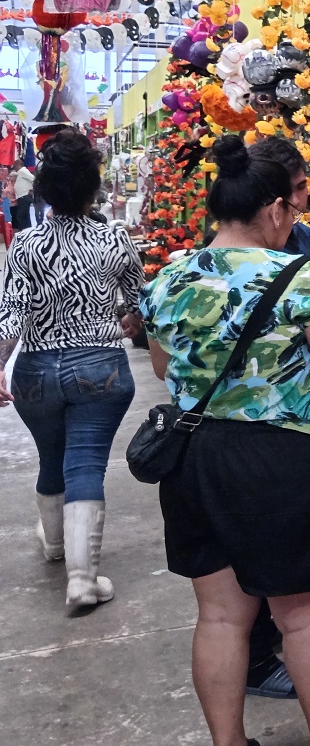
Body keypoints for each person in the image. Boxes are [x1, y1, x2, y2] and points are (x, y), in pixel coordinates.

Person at [141, 135, 310, 746]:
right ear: (276, 209)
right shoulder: (306, 279)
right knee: (305, 619)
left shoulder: (170, 276)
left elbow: (161, 367)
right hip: (281, 463)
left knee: (222, 616)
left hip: (196, 456)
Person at [0, 129, 144, 610]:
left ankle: (57, 545)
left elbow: (12, 315)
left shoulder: (25, 245)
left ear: (42, 190)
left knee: (49, 457)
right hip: (99, 367)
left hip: (36, 370)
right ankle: (82, 580)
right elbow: (139, 300)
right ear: (94, 187)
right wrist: (126, 317)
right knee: (85, 462)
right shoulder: (115, 238)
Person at [241, 136, 310, 700]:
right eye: (297, 193)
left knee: (223, 609)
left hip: (262, 428)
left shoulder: (305, 240)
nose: (304, 204)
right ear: (272, 202)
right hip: (274, 436)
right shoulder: (229, 256)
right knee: (298, 610)